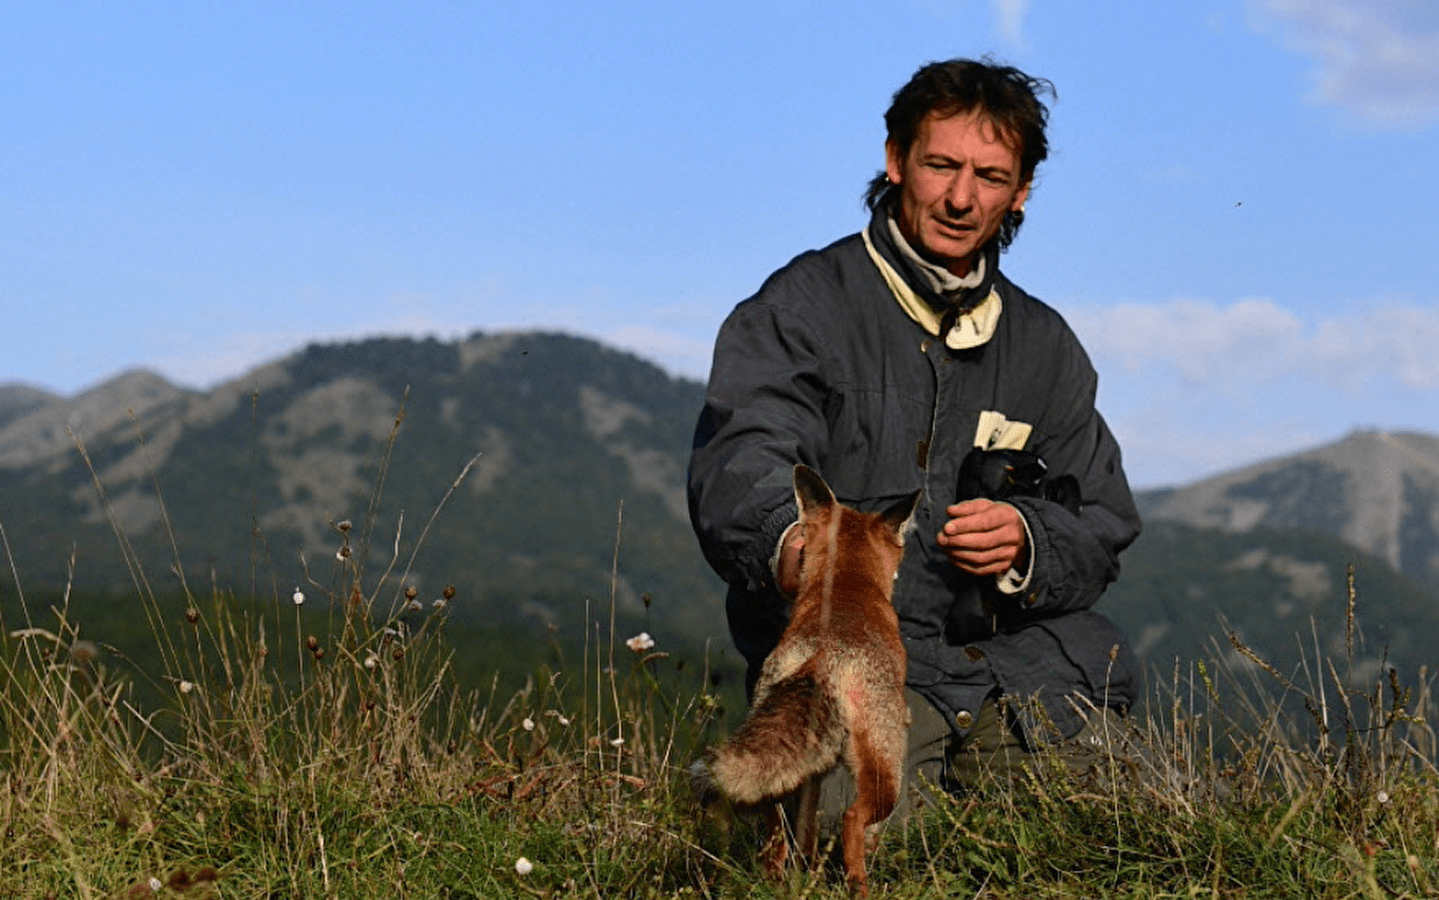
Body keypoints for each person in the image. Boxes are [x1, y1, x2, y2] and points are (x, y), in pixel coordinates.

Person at [687, 58, 1143, 805]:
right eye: (940, 165)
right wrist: (796, 547)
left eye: (990, 176)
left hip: (1022, 678)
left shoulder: (1045, 346)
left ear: (1021, 190)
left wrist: (1030, 541)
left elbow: (1103, 521)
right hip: (856, 673)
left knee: (1114, 832)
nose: (961, 198)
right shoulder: (800, 308)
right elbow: (742, 456)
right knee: (851, 842)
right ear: (896, 160)